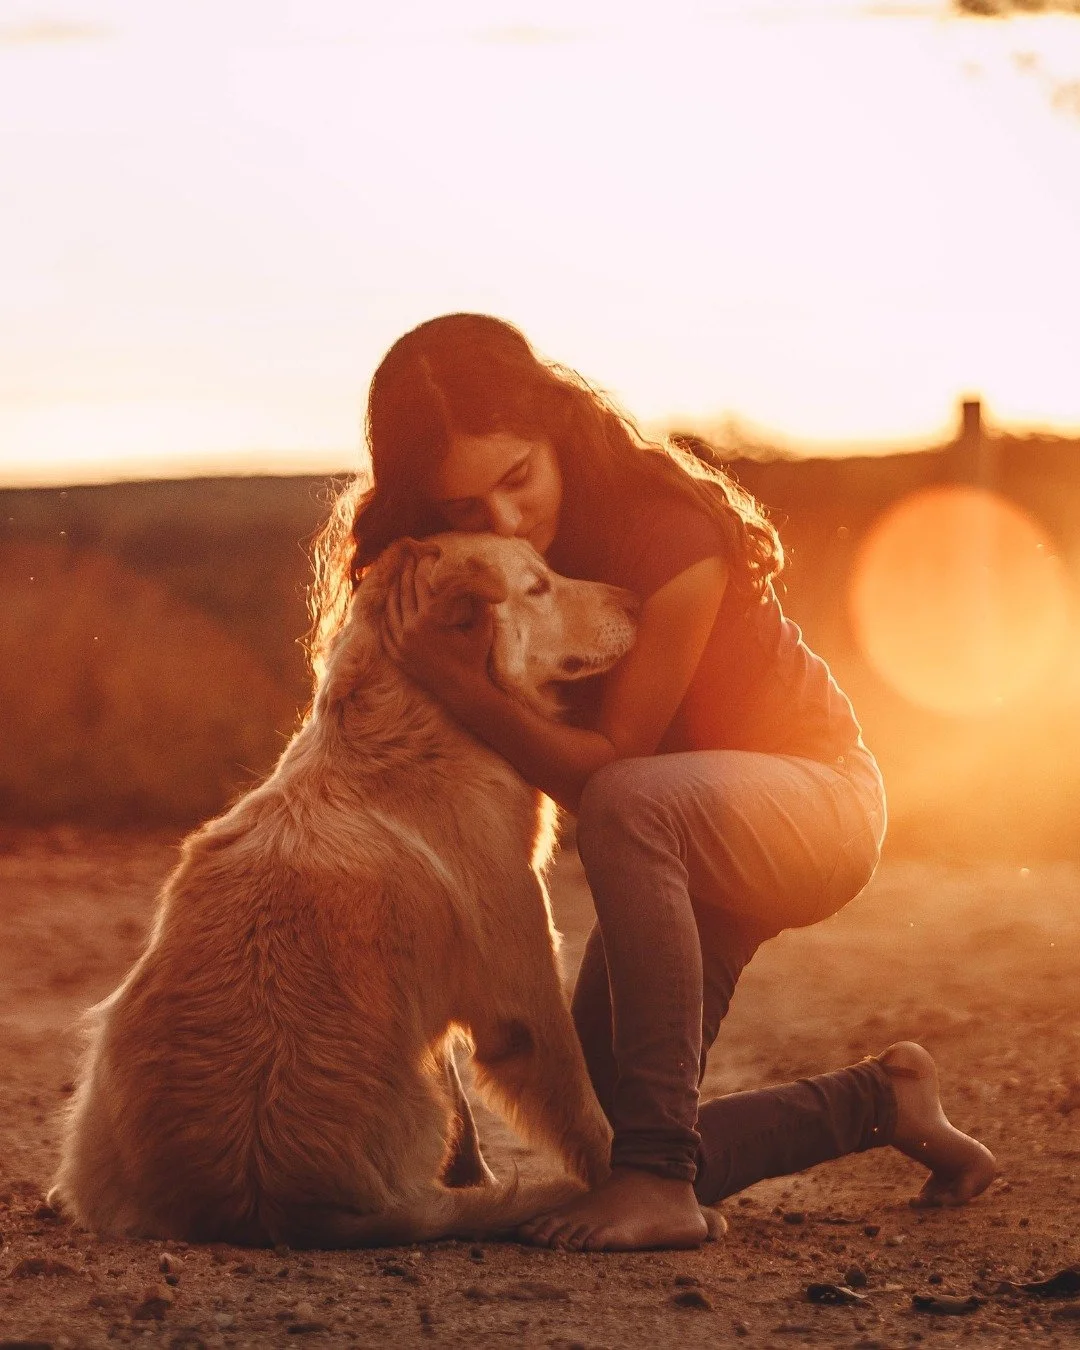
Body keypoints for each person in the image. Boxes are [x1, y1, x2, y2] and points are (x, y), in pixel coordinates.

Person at [310, 312, 997, 1252]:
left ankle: (660, 1190)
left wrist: (457, 687)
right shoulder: (456, 569)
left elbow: (610, 773)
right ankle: (883, 1102)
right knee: (603, 1137)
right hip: (679, 836)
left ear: (556, 425)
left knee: (632, 803)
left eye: (517, 479)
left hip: (813, 804)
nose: (505, 522)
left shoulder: (667, 533)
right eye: (467, 508)